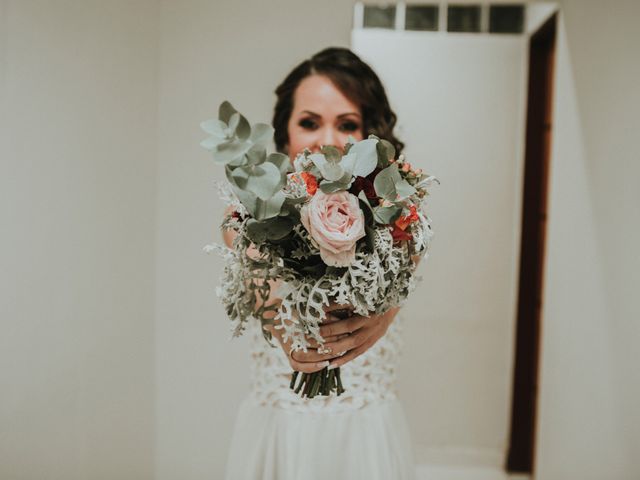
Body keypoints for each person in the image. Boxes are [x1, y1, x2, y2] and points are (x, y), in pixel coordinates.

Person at [223, 47, 416, 480]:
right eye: (309, 122)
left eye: (347, 124)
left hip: (364, 440)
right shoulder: (247, 218)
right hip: (281, 434)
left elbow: (408, 264)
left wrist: (384, 314)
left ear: (369, 136)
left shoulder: (398, 217)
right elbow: (257, 276)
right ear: (284, 133)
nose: (327, 140)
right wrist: (282, 325)